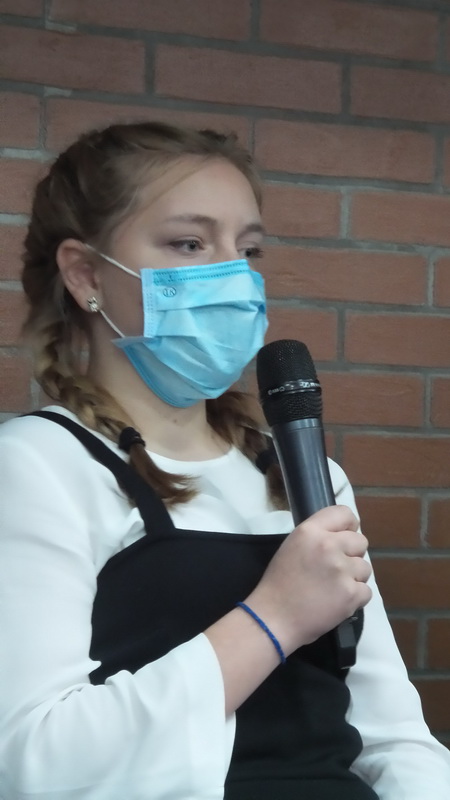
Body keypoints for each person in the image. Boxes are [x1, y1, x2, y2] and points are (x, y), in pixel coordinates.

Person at [0, 121, 448, 800]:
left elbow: (392, 737)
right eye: (189, 243)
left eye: (247, 249)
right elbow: (32, 762)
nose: (233, 276)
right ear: (86, 274)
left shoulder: (306, 478)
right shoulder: (40, 466)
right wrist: (273, 619)